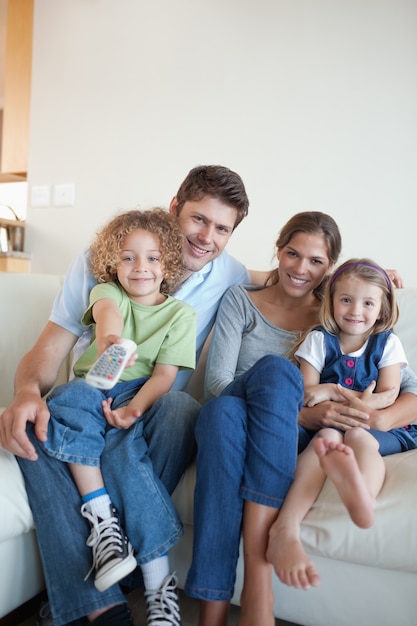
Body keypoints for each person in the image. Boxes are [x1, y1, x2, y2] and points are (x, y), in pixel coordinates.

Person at [0, 164, 251, 626]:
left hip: (149, 409)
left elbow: (294, 275)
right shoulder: (104, 261)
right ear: (174, 208)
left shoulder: (230, 274)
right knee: (35, 423)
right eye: (198, 219)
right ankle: (101, 606)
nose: (205, 238)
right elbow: (51, 345)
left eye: (222, 229)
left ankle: (105, 579)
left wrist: (365, 274)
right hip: (92, 392)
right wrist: (24, 393)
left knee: (181, 407)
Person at [184, 213, 417, 626]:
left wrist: (371, 419)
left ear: (328, 269)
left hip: (282, 434)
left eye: (315, 261)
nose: (300, 268)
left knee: (235, 410)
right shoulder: (242, 299)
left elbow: (403, 386)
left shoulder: (337, 314)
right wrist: (306, 413)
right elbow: (218, 384)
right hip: (250, 411)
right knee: (258, 385)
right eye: (292, 254)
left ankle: (216, 611)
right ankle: (256, 585)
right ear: (278, 250)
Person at [42, 208, 197, 602]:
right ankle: (101, 516)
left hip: (138, 391)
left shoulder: (180, 314)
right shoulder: (108, 292)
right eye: (128, 257)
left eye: (152, 257)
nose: (139, 267)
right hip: (95, 384)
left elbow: (164, 377)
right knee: (66, 397)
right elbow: (106, 314)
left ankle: (159, 589)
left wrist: (135, 410)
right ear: (114, 262)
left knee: (126, 455)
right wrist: (111, 340)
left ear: (169, 265)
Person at [267, 258, 417, 591]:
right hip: (331, 422)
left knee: (361, 439)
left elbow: (390, 395)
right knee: (324, 443)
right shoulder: (319, 340)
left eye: (367, 302)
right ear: (331, 301)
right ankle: (286, 528)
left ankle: (360, 494)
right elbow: (306, 397)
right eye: (346, 299)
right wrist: (341, 397)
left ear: (381, 309)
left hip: (374, 425)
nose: (355, 310)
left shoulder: (387, 343)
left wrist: (335, 391)